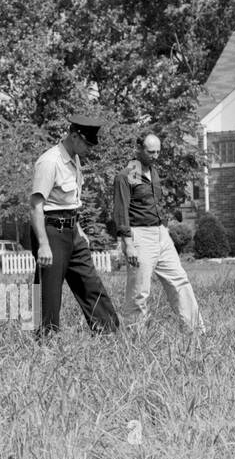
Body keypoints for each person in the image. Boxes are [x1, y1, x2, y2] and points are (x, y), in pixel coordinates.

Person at [29, 114, 119, 337]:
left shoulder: (74, 159)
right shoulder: (50, 161)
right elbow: (36, 206)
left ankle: (109, 332)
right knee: (49, 290)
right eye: (87, 143)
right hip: (51, 231)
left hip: (72, 229)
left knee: (89, 282)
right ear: (74, 136)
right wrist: (43, 245)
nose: (89, 149)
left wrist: (79, 230)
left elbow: (70, 202)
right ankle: (45, 339)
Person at [113, 132, 203, 332]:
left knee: (179, 280)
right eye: (150, 152)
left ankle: (195, 330)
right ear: (139, 149)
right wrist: (128, 244)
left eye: (157, 152)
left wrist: (164, 227)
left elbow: (154, 204)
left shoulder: (153, 173)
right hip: (139, 235)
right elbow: (121, 212)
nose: (155, 156)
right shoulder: (126, 176)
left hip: (160, 233)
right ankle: (135, 337)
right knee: (139, 291)